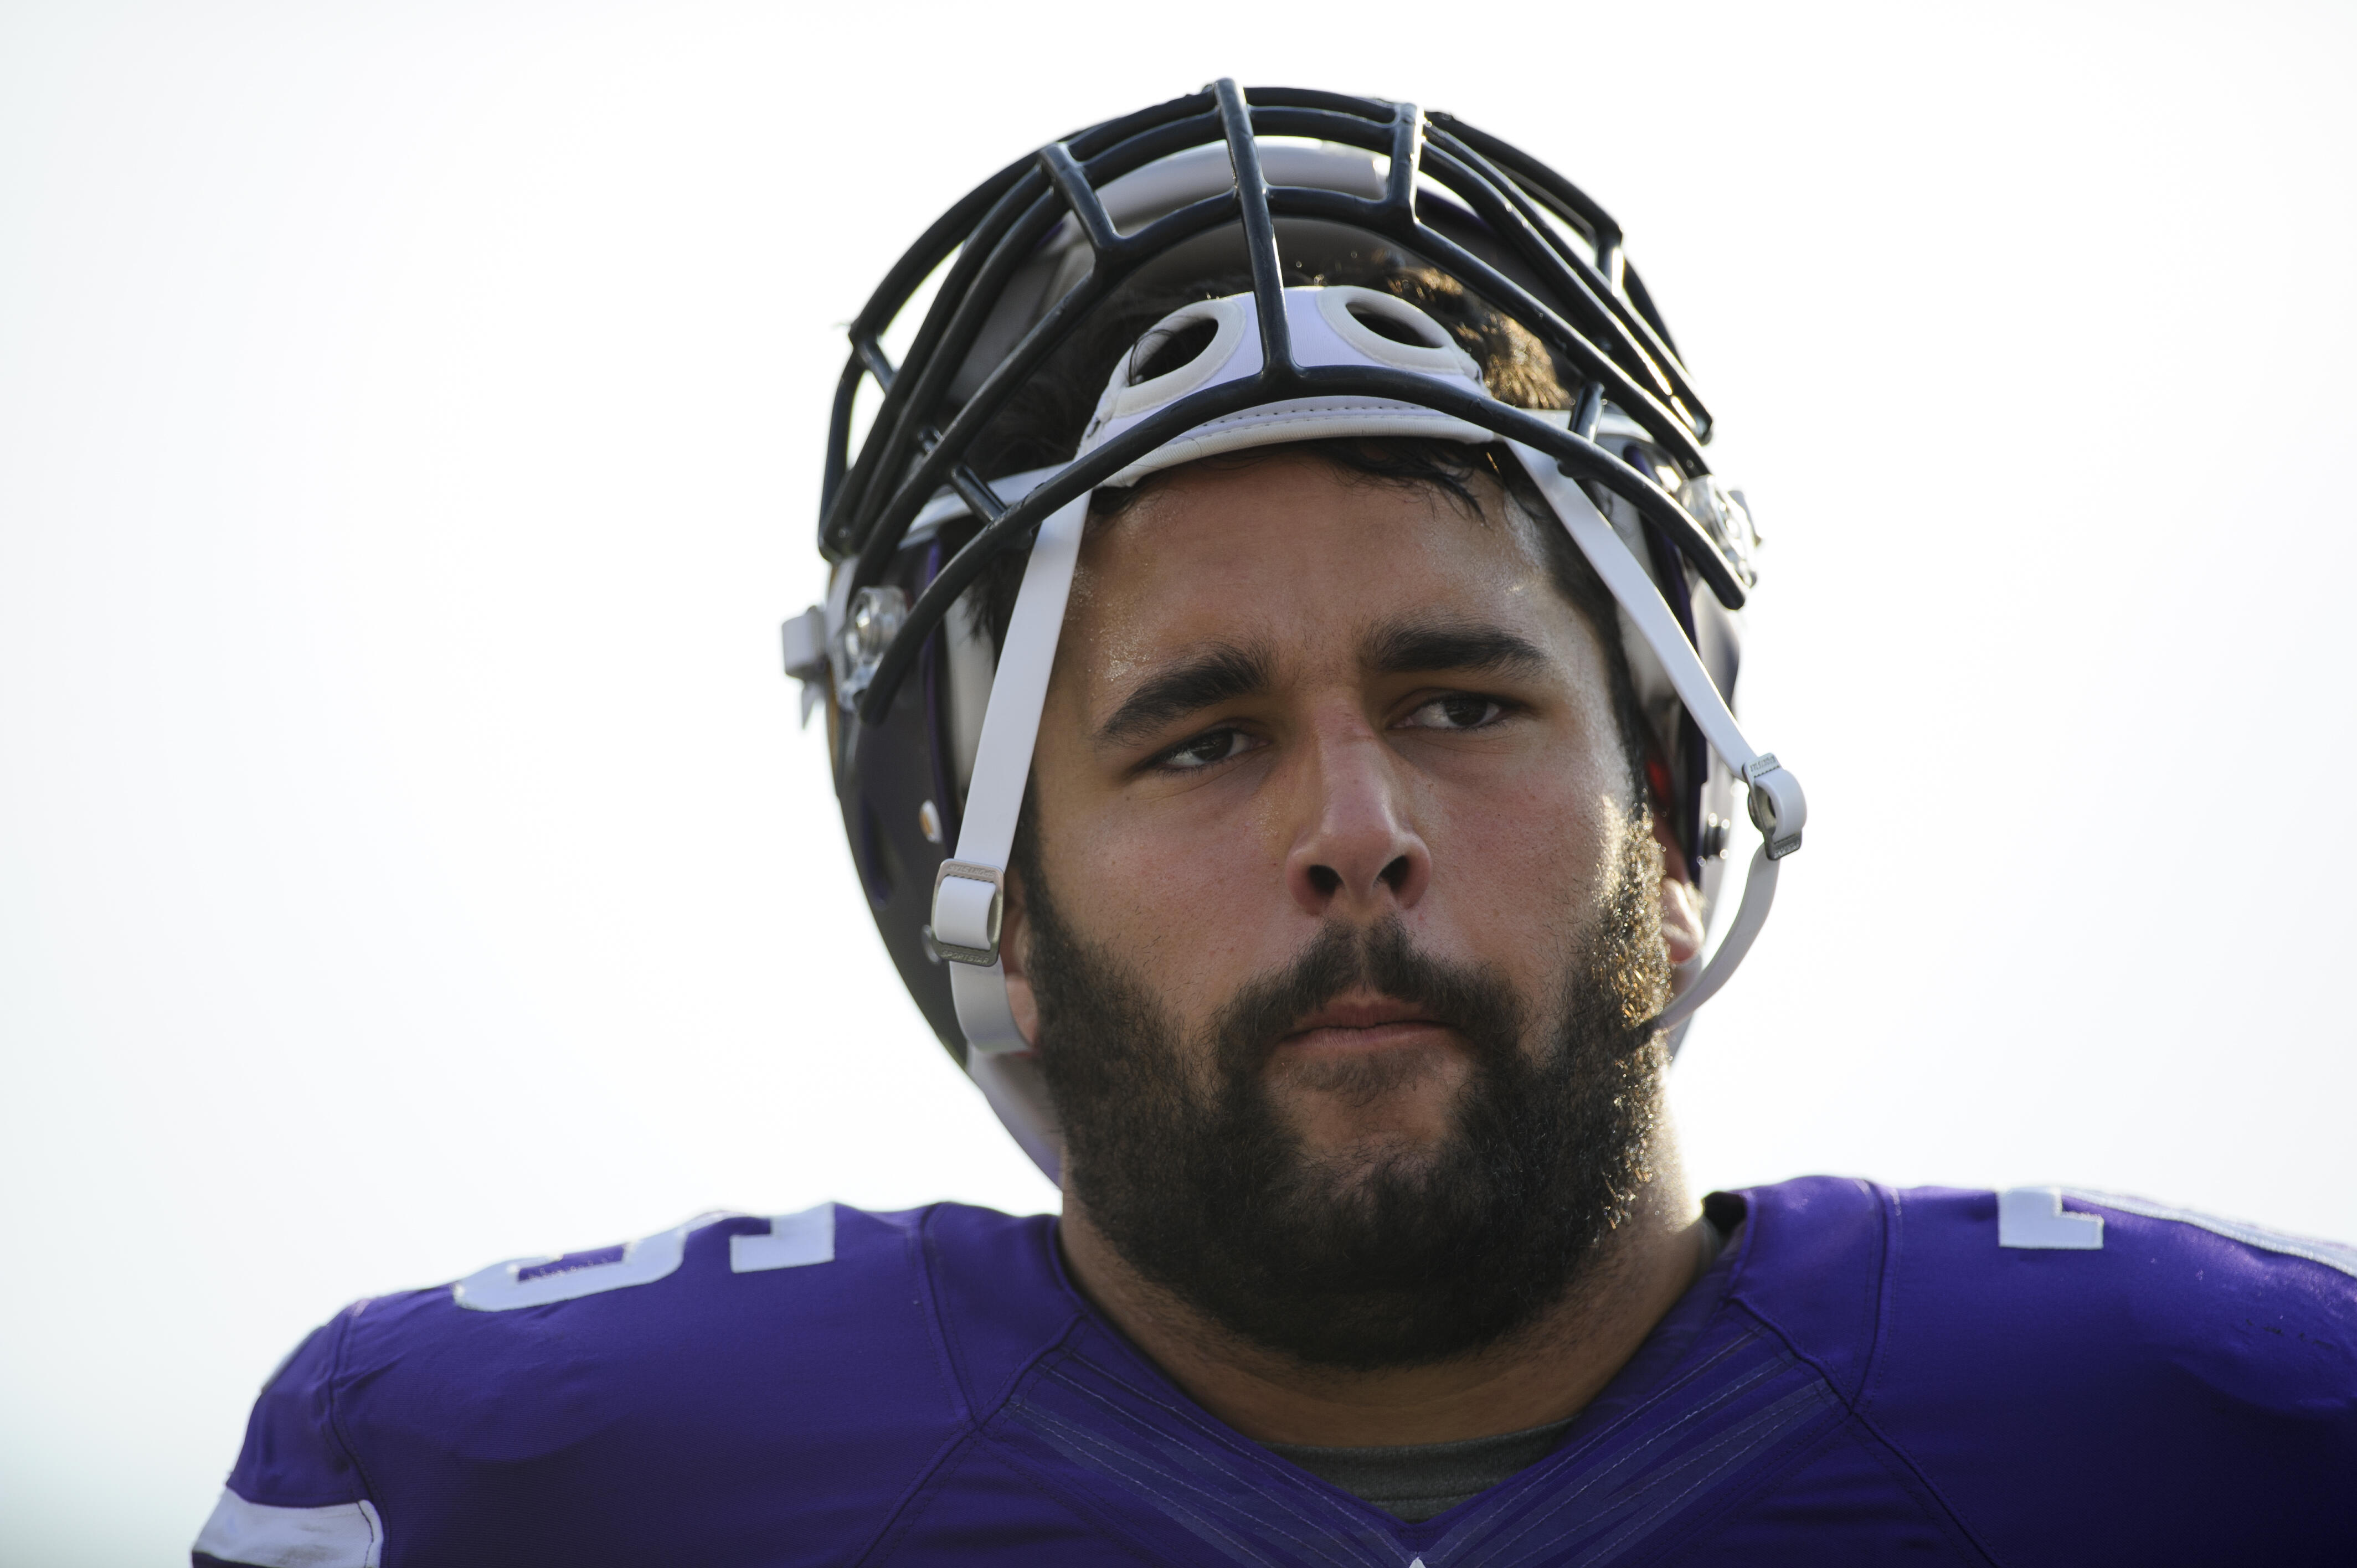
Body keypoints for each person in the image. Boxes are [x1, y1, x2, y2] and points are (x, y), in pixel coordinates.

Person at [194, 84, 2356, 1568]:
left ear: (1672, 801)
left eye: (1460, 701)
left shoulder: (2223, 1437)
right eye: (1200, 739)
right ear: (995, 904)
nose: (1354, 828)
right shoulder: (539, 1490)